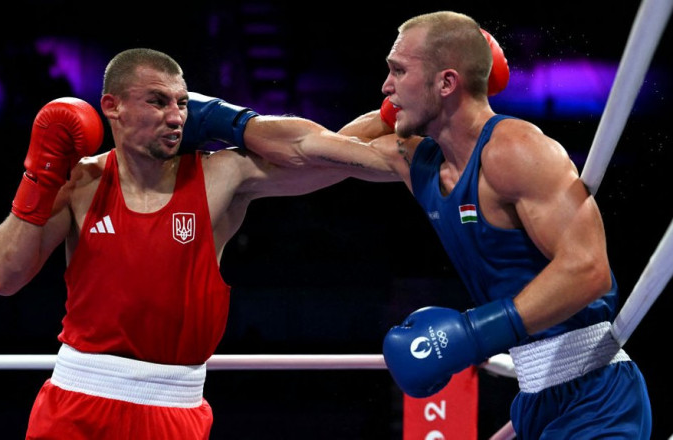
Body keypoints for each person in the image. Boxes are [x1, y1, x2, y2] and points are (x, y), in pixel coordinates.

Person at [240, 10, 653, 439]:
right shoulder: (417, 162)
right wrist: (217, 119)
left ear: (446, 82)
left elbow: (589, 271)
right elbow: (313, 146)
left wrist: (473, 334)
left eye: (398, 71)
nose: (385, 85)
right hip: (534, 398)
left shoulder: (515, 150)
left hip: (594, 396)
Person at [0, 48, 397, 439]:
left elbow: (323, 153)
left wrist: (388, 117)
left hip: (174, 407)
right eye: (158, 101)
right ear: (113, 107)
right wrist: (39, 178)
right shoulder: (79, 182)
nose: (175, 116)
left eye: (182, 103)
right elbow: (3, 277)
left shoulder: (222, 176)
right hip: (76, 402)